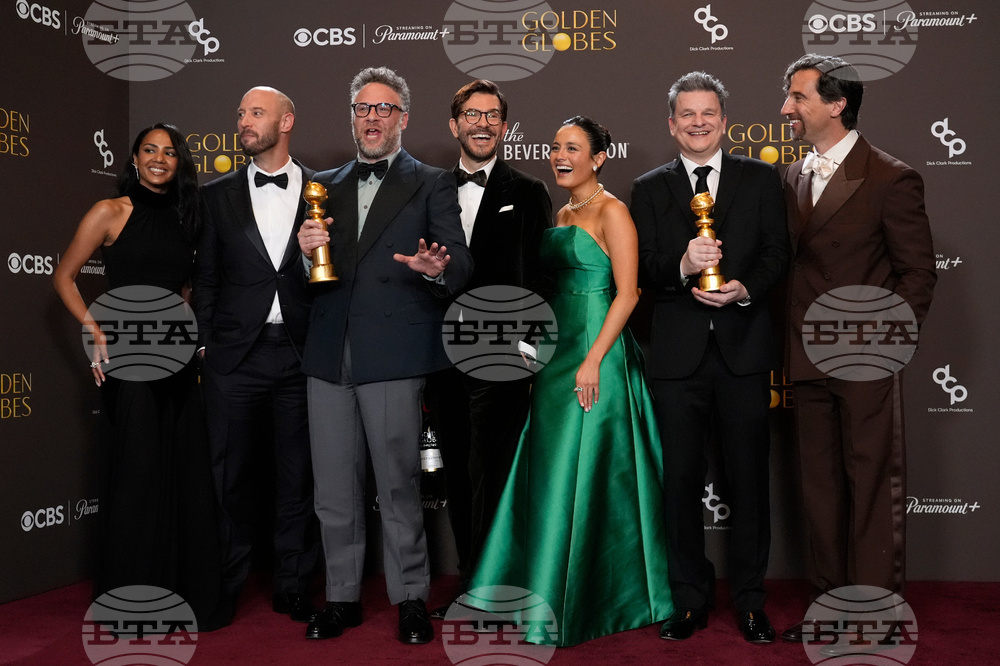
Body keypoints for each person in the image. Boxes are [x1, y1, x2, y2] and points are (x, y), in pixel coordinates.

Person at [469, 116, 673, 647]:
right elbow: (554, 293)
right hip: (558, 355)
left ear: (599, 157)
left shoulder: (614, 211)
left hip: (596, 355)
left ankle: (588, 600)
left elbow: (627, 294)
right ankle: (538, 588)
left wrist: (592, 359)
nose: (561, 156)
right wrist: (542, 357)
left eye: (574, 148)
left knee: (584, 477)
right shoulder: (561, 212)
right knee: (549, 473)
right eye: (556, 147)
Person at [295, 66, 473, 645]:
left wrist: (437, 268)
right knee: (333, 490)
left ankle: (411, 598)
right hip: (328, 356)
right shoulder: (322, 182)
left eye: (385, 108)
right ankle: (342, 597)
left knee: (397, 487)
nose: (373, 118)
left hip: (394, 354)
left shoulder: (431, 183)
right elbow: (306, 276)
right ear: (352, 116)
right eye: (364, 108)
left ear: (402, 118)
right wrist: (304, 254)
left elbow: (461, 264)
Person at [777, 54, 936, 643]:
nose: (786, 107)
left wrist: (881, 344)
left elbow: (918, 275)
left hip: (865, 358)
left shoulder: (892, 177)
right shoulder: (792, 174)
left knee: (870, 487)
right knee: (820, 491)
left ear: (837, 103)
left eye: (797, 97)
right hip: (803, 353)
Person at [630, 71, 790, 644]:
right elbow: (642, 267)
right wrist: (680, 265)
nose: (698, 123)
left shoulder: (761, 178)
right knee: (679, 484)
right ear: (671, 123)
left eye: (709, 113)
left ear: (724, 120)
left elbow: (778, 252)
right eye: (687, 115)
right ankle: (689, 600)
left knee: (749, 480)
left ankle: (750, 600)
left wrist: (743, 287)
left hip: (744, 350)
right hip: (677, 359)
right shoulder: (648, 187)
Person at [53, 124, 230, 630]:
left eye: (169, 153)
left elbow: (188, 283)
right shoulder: (110, 212)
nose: (159, 159)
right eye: (149, 150)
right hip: (128, 357)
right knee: (139, 473)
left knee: (183, 471)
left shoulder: (186, 215)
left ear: (179, 163)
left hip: (175, 357)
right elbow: (63, 275)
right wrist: (92, 328)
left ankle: (185, 594)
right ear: (133, 159)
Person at [424, 79, 552, 619]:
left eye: (492, 116)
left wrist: (532, 351)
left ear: (504, 127)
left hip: (503, 354)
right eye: (472, 115)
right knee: (455, 467)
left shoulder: (529, 192)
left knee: (493, 471)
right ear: (454, 125)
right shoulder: (427, 190)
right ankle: (472, 579)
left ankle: (499, 586)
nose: (482, 124)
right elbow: (425, 270)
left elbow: (543, 278)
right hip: (441, 353)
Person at [193, 86, 320, 623]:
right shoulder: (214, 194)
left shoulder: (323, 188)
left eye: (256, 113)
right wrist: (203, 347)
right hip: (234, 358)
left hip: (300, 353)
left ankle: (293, 584)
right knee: (227, 478)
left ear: (286, 120)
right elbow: (205, 279)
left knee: (298, 478)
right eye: (241, 112)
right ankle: (223, 587)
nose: (244, 121)